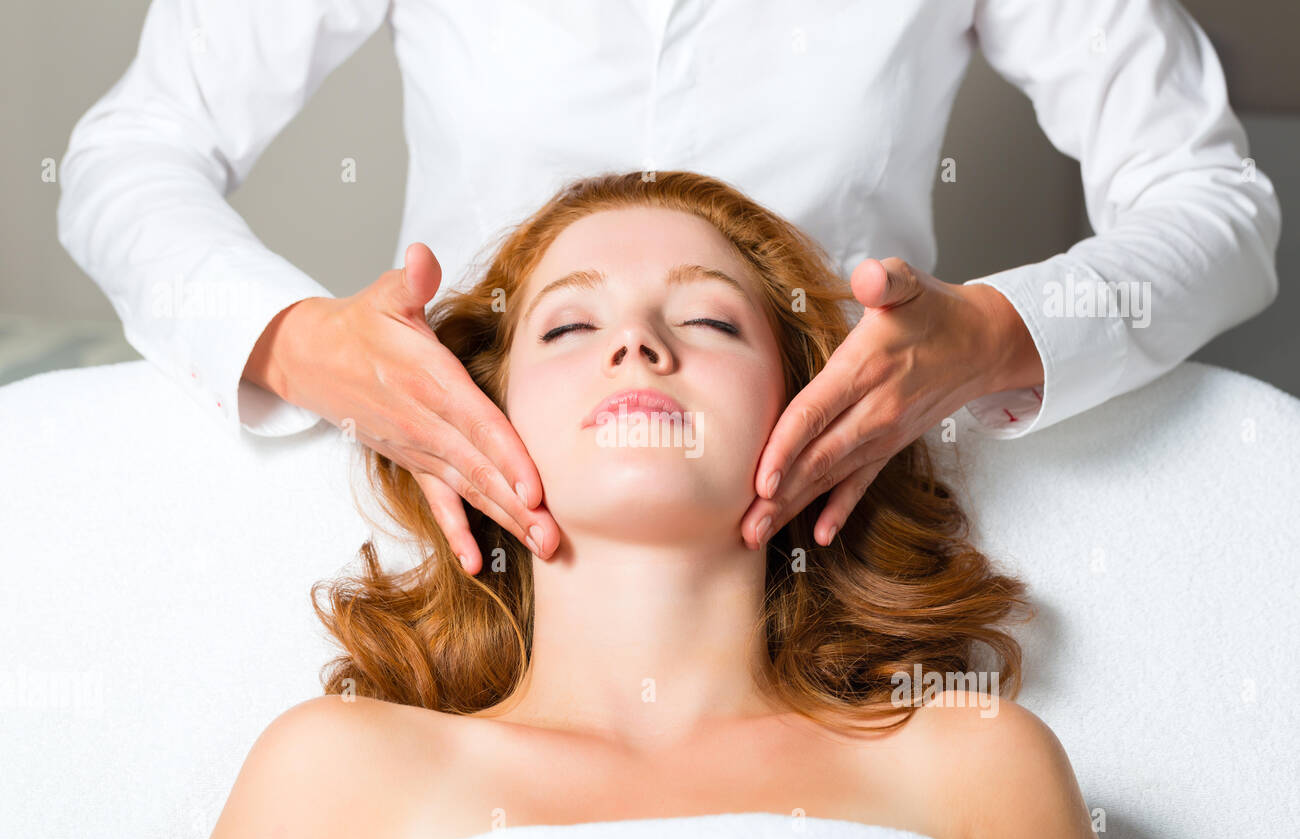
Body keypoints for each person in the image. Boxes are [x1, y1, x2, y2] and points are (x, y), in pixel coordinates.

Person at [57, 0, 1279, 574]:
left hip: (826, 523)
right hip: (473, 522)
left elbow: (1215, 206)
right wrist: (292, 342)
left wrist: (993, 335)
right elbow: (128, 155)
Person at [198, 171, 1108, 839]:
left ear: (827, 414)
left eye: (711, 321)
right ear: (469, 419)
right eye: (565, 327)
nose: (637, 344)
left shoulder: (976, 765)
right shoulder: (333, 769)